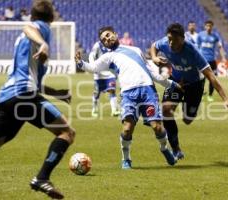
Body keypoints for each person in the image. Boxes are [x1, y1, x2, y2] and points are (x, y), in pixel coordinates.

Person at [0, 1, 73, 199]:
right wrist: (44, 43)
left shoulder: (22, 41)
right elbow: (28, 26)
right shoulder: (40, 29)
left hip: (8, 97)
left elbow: (34, 81)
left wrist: (57, 93)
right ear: (52, 18)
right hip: (23, 96)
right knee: (66, 132)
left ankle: (42, 178)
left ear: (32, 14)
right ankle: (42, 178)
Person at [75, 26, 182, 169]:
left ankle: (164, 148)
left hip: (147, 90)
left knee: (157, 127)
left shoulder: (136, 50)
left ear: (115, 34)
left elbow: (151, 72)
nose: (107, 39)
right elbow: (93, 67)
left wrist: (170, 83)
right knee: (127, 128)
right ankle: (126, 159)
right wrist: (80, 63)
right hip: (128, 94)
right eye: (104, 40)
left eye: (108, 35)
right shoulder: (108, 57)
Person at [150, 23, 228, 161]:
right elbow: (154, 46)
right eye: (169, 39)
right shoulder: (164, 43)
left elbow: (211, 76)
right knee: (166, 110)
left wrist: (225, 98)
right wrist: (155, 58)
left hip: (195, 85)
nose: (171, 42)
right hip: (176, 81)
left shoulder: (192, 51)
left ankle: (187, 108)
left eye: (174, 39)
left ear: (182, 38)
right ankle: (176, 149)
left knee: (187, 119)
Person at [197, 20, 227, 102]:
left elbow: (220, 47)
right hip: (202, 60)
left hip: (212, 60)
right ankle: (200, 94)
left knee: (212, 79)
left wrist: (223, 57)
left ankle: (210, 95)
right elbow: (196, 47)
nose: (208, 27)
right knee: (201, 79)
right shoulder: (200, 35)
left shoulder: (215, 36)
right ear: (205, 26)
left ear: (212, 27)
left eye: (210, 26)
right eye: (207, 26)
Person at [88, 41, 120, 117]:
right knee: (96, 93)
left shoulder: (113, 44)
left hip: (110, 73)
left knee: (112, 91)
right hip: (98, 74)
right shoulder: (97, 45)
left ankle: (114, 110)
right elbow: (91, 55)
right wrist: (93, 66)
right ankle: (94, 109)